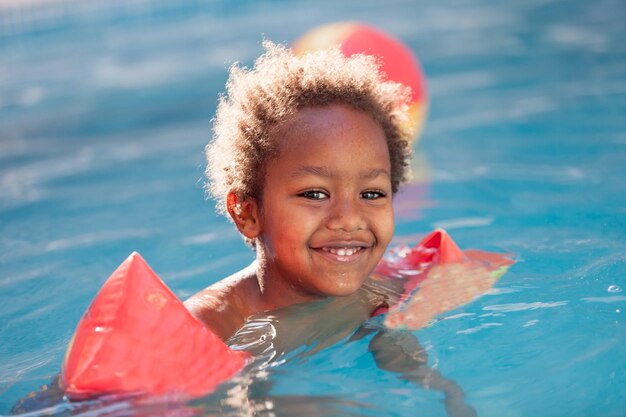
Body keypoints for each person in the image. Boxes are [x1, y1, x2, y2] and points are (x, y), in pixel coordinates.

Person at [183, 42, 507, 417]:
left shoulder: (376, 294)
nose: (349, 218)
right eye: (315, 193)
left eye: (371, 193)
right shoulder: (212, 329)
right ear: (247, 212)